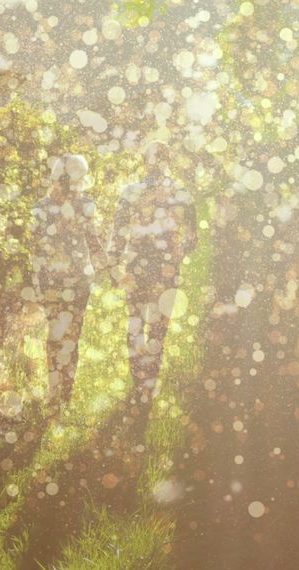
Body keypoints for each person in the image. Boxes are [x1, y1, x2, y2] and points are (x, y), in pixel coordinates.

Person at [108, 141, 198, 412]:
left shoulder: (131, 193)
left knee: (135, 321)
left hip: (137, 266)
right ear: (167, 160)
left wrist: (114, 264)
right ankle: (149, 384)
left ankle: (138, 382)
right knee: (158, 325)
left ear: (145, 161)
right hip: (166, 268)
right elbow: (193, 238)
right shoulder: (181, 193)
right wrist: (177, 253)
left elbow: (118, 234)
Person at [30, 154, 107, 412]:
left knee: (56, 337)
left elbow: (34, 249)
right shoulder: (84, 206)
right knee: (70, 338)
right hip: (76, 281)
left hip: (55, 281)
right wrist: (108, 267)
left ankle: (57, 394)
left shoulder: (41, 208)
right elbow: (93, 243)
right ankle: (63, 395)